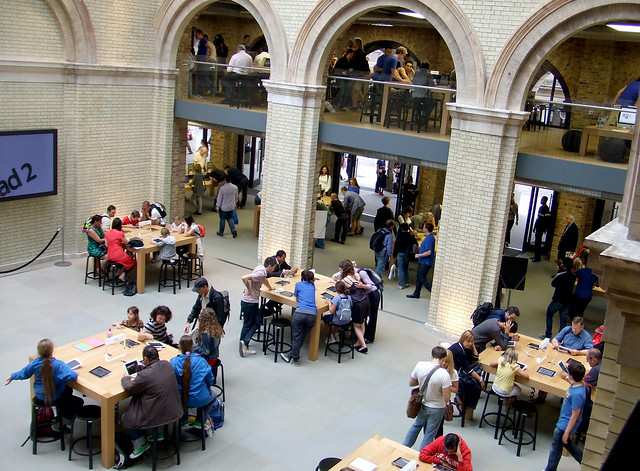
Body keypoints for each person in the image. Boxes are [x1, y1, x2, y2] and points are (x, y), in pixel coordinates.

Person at [121, 345, 183, 459]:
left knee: (125, 417)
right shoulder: (167, 364)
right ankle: (158, 433)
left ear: (145, 359)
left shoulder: (145, 375)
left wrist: (125, 378)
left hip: (157, 414)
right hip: (173, 409)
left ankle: (140, 444)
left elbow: (130, 388)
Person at [7, 338, 83, 425]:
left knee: (67, 393)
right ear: (52, 350)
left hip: (40, 398)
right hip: (56, 397)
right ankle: (62, 422)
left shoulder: (34, 364)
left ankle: (60, 419)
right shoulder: (58, 364)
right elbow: (72, 376)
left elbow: (24, 373)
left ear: (38, 352)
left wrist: (12, 376)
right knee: (75, 398)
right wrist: (71, 374)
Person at [402, 346, 452, 450]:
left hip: (422, 403)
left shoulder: (420, 365)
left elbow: (411, 383)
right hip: (437, 407)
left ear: (431, 355)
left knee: (416, 425)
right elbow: (447, 398)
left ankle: (405, 447)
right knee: (430, 432)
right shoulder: (444, 374)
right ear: (443, 359)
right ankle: (422, 453)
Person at [543, 362, 587, 471]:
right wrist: (567, 378)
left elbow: (575, 415)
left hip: (565, 425)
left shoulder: (578, 394)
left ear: (572, 375)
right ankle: (585, 462)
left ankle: (550, 469)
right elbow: (573, 383)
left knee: (556, 448)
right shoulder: (579, 385)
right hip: (564, 422)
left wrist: (567, 432)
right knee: (566, 445)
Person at [170, 335, 216, 433]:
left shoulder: (174, 362)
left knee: (183, 391)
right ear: (192, 346)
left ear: (180, 347)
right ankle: (200, 421)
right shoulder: (201, 361)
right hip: (200, 398)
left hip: (180, 399)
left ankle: (184, 418)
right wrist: (206, 388)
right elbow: (210, 378)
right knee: (213, 395)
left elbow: (170, 381)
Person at [239, 257, 277, 357]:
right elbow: (244, 278)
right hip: (250, 302)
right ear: (269, 266)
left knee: (258, 321)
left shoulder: (261, 269)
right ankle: (243, 343)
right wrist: (249, 290)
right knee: (249, 324)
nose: (273, 270)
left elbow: (264, 279)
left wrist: (270, 287)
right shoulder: (260, 273)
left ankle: (244, 342)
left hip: (250, 301)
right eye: (273, 268)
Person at [280, 270, 318, 366]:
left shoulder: (298, 284)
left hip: (300, 313)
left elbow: (296, 298)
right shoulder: (313, 286)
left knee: (297, 337)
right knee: (301, 337)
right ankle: (291, 355)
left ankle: (294, 359)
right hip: (312, 315)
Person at [335, 260, 369, 353]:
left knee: (356, 325)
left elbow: (339, 286)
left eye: (340, 270)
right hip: (365, 300)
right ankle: (359, 342)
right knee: (362, 323)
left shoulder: (345, 280)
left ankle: (363, 345)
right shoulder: (356, 275)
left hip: (357, 303)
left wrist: (339, 278)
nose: (339, 271)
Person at [449, 331, 484, 419]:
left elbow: (475, 357)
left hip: (458, 373)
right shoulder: (458, 350)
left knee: (476, 386)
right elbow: (468, 369)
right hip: (451, 376)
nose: (470, 343)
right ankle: (460, 400)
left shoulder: (464, 348)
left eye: (471, 341)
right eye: (468, 341)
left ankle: (466, 405)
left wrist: (473, 346)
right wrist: (480, 379)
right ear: (462, 339)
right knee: (475, 386)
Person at [542, 257, 577, 339]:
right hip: (568, 300)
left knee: (550, 314)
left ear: (563, 265)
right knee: (563, 319)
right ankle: (560, 337)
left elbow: (553, 284)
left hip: (558, 299)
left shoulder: (560, 275)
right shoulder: (573, 276)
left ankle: (548, 334)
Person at [575, 348, 602, 438]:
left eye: (588, 361)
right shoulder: (601, 364)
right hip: (600, 398)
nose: (588, 363)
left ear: (593, 359)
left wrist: (567, 377)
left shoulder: (596, 369)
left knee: (581, 402)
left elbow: (582, 385)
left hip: (595, 401)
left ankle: (580, 431)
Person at [407, 222, 436, 299]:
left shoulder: (429, 239)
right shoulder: (430, 237)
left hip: (425, 262)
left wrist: (418, 255)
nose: (423, 228)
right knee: (419, 277)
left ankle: (432, 292)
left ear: (426, 229)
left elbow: (429, 252)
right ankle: (417, 292)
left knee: (422, 278)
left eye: (424, 227)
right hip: (423, 261)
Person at [194, 307, 224, 379]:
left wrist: (194, 347)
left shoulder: (206, 333)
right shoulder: (217, 329)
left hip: (208, 360)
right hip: (215, 357)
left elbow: (206, 351)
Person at [104, 217, 136, 285]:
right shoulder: (120, 233)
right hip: (118, 254)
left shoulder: (108, 233)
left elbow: (106, 245)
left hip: (110, 254)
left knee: (122, 262)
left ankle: (117, 274)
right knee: (133, 262)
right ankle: (123, 275)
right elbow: (126, 242)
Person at [393, 222, 418, 290]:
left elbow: (396, 246)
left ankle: (401, 284)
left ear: (401, 228)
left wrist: (394, 255)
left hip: (400, 253)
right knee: (406, 268)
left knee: (400, 269)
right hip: (407, 254)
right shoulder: (410, 236)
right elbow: (416, 243)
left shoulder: (399, 236)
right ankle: (407, 282)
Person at [531, 196, 551, 262]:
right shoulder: (540, 208)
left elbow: (547, 220)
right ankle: (536, 256)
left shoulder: (546, 209)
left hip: (541, 227)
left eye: (543, 200)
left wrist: (545, 228)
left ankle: (537, 257)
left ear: (545, 201)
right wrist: (535, 226)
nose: (541, 201)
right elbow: (538, 219)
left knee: (538, 242)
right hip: (539, 226)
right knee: (537, 242)